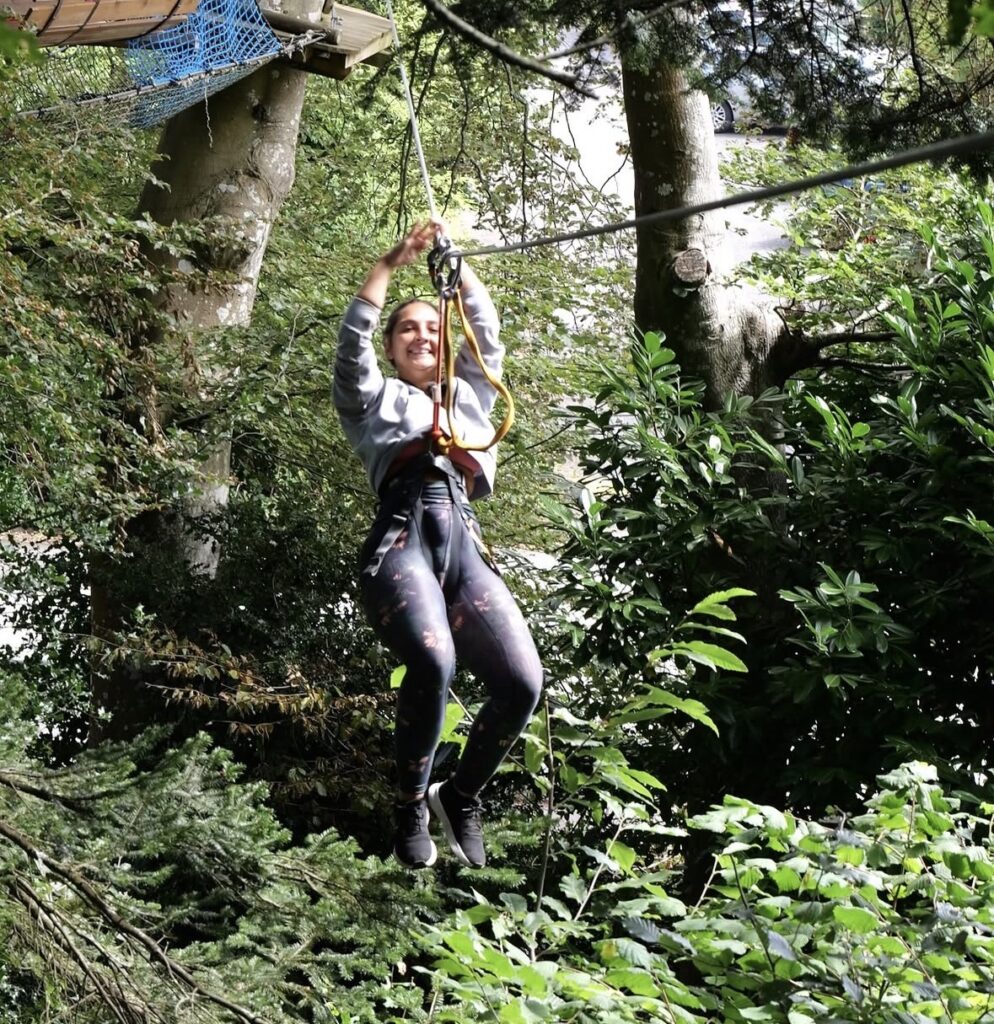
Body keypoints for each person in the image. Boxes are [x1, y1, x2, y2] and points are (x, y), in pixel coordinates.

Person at [334, 222, 543, 869]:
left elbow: (486, 333)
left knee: (522, 682)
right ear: (392, 347)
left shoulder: (471, 397)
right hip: (402, 540)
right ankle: (410, 807)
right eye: (407, 329)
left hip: (463, 545)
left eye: (432, 327)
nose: (422, 336)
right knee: (433, 660)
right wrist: (388, 264)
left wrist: (458, 268)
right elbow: (351, 346)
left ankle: (462, 795)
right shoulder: (373, 401)